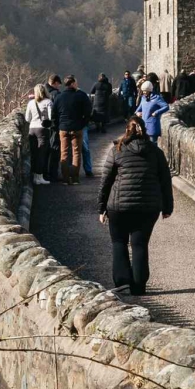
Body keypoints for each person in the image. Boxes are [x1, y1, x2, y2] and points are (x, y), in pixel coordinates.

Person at [97, 117, 174, 296]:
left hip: (119, 206)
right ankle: (139, 285)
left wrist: (101, 208)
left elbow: (106, 181)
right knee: (140, 244)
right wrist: (167, 207)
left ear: (126, 130)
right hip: (148, 208)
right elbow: (165, 181)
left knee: (119, 242)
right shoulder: (155, 151)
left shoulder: (117, 150)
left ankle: (123, 282)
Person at [50, 76, 91, 184]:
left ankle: (65, 179)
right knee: (76, 153)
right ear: (72, 83)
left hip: (63, 128)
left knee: (64, 153)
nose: (77, 84)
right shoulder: (81, 95)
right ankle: (75, 178)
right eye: (76, 82)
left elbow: (53, 114)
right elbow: (88, 111)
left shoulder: (59, 97)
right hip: (77, 128)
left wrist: (58, 126)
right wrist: (83, 123)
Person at [24, 83, 54, 186]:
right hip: (43, 130)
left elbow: (27, 118)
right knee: (41, 153)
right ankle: (39, 177)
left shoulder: (31, 103)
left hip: (32, 129)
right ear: (45, 91)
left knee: (34, 153)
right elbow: (51, 117)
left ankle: (33, 176)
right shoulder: (48, 102)